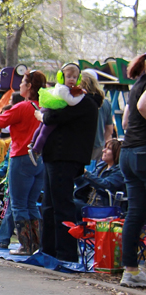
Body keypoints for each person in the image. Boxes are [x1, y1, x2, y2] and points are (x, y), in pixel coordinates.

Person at [38, 66, 102, 263]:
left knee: (60, 205)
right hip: (60, 157)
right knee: (50, 205)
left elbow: (51, 117)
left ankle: (65, 253)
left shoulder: (82, 103)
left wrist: (42, 115)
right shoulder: (85, 104)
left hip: (62, 157)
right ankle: (49, 249)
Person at [0, 70, 47, 256]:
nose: (19, 86)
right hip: (39, 158)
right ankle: (36, 244)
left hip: (21, 156)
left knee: (18, 204)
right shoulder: (44, 108)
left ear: (29, 87)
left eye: (22, 83)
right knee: (32, 203)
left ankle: (25, 245)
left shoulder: (23, 107)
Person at [119, 54, 146, 288]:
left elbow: (126, 121)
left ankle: (131, 271)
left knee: (135, 213)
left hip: (128, 151)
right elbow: (143, 106)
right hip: (143, 151)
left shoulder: (136, 84)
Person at [27, 63, 85, 164]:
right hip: (52, 111)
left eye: (74, 77)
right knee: (45, 132)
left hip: (48, 108)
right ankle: (35, 150)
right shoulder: (63, 89)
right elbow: (71, 101)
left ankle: (32, 143)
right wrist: (81, 96)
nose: (72, 79)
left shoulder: (62, 87)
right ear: (61, 77)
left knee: (40, 128)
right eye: (68, 76)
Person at [73, 138, 123, 212]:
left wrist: (86, 173)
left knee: (70, 203)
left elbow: (106, 185)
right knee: (64, 197)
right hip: (87, 202)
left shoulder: (120, 171)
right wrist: (77, 172)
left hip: (102, 208)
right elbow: (85, 184)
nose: (103, 150)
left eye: (108, 149)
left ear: (117, 153)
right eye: (105, 148)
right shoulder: (101, 166)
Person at [79, 69, 114, 166]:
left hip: (81, 145)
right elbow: (109, 130)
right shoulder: (105, 102)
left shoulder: (78, 100)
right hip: (99, 146)